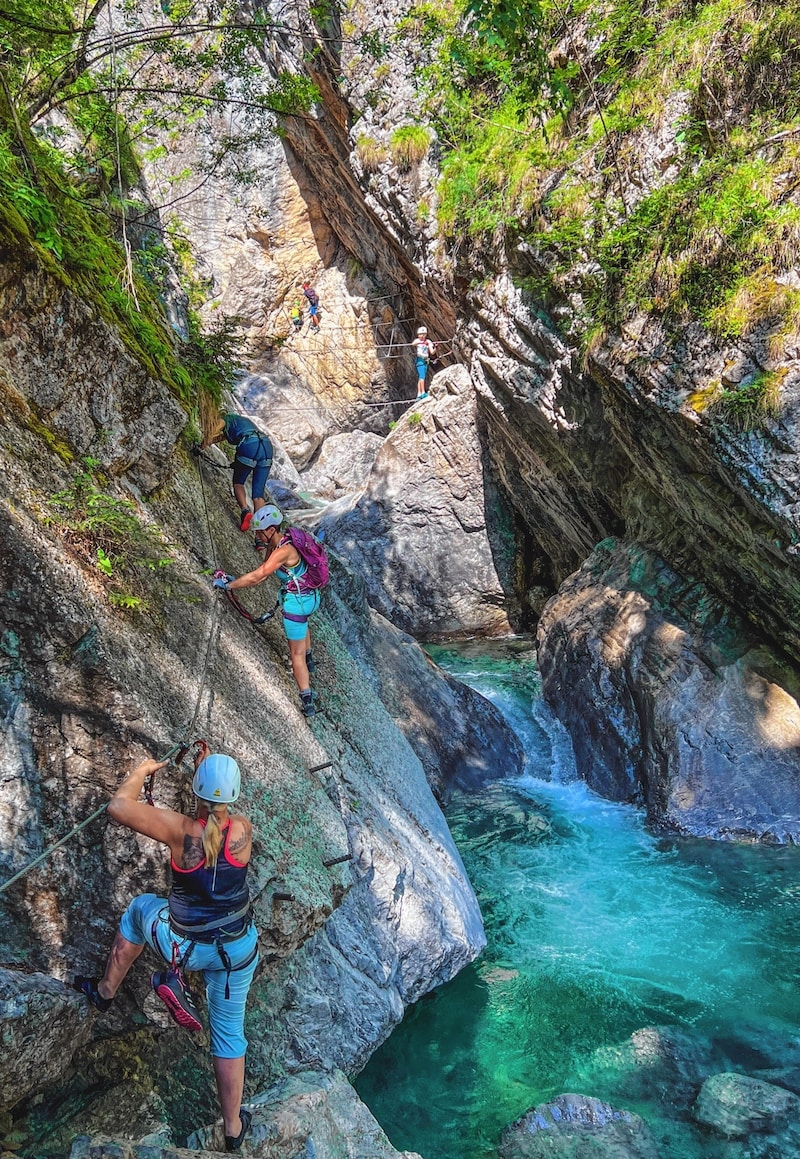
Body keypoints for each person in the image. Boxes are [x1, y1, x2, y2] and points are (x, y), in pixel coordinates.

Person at [73, 749, 259, 1152]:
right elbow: (215, 823)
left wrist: (142, 770)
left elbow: (119, 806)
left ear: (197, 794)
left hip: (186, 948)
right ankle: (232, 1129)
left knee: (141, 908)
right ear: (233, 797)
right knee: (229, 1035)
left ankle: (105, 993)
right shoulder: (243, 829)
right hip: (236, 951)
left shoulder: (180, 831)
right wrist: (204, 777)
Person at [213, 505, 322, 718]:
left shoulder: (283, 551)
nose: (257, 536)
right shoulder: (280, 543)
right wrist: (236, 582)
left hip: (297, 604)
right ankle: (309, 660)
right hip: (309, 599)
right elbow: (262, 575)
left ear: (270, 530)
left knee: (295, 654)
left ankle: (307, 698)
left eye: (259, 532)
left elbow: (259, 575)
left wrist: (228, 586)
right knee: (303, 629)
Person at [207, 413, 273, 532]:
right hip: (266, 446)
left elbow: (211, 433)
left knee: (239, 483)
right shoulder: (240, 423)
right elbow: (219, 438)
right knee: (258, 496)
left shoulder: (225, 419)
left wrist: (201, 445)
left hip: (250, 446)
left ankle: (245, 510)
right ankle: (261, 535)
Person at [413, 326, 437, 400]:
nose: (422, 336)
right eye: (420, 334)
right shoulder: (417, 341)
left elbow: (432, 352)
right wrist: (422, 342)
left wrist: (435, 347)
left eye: (423, 334)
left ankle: (419, 394)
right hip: (420, 360)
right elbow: (413, 344)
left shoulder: (428, 342)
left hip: (425, 360)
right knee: (422, 376)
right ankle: (422, 392)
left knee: (421, 377)